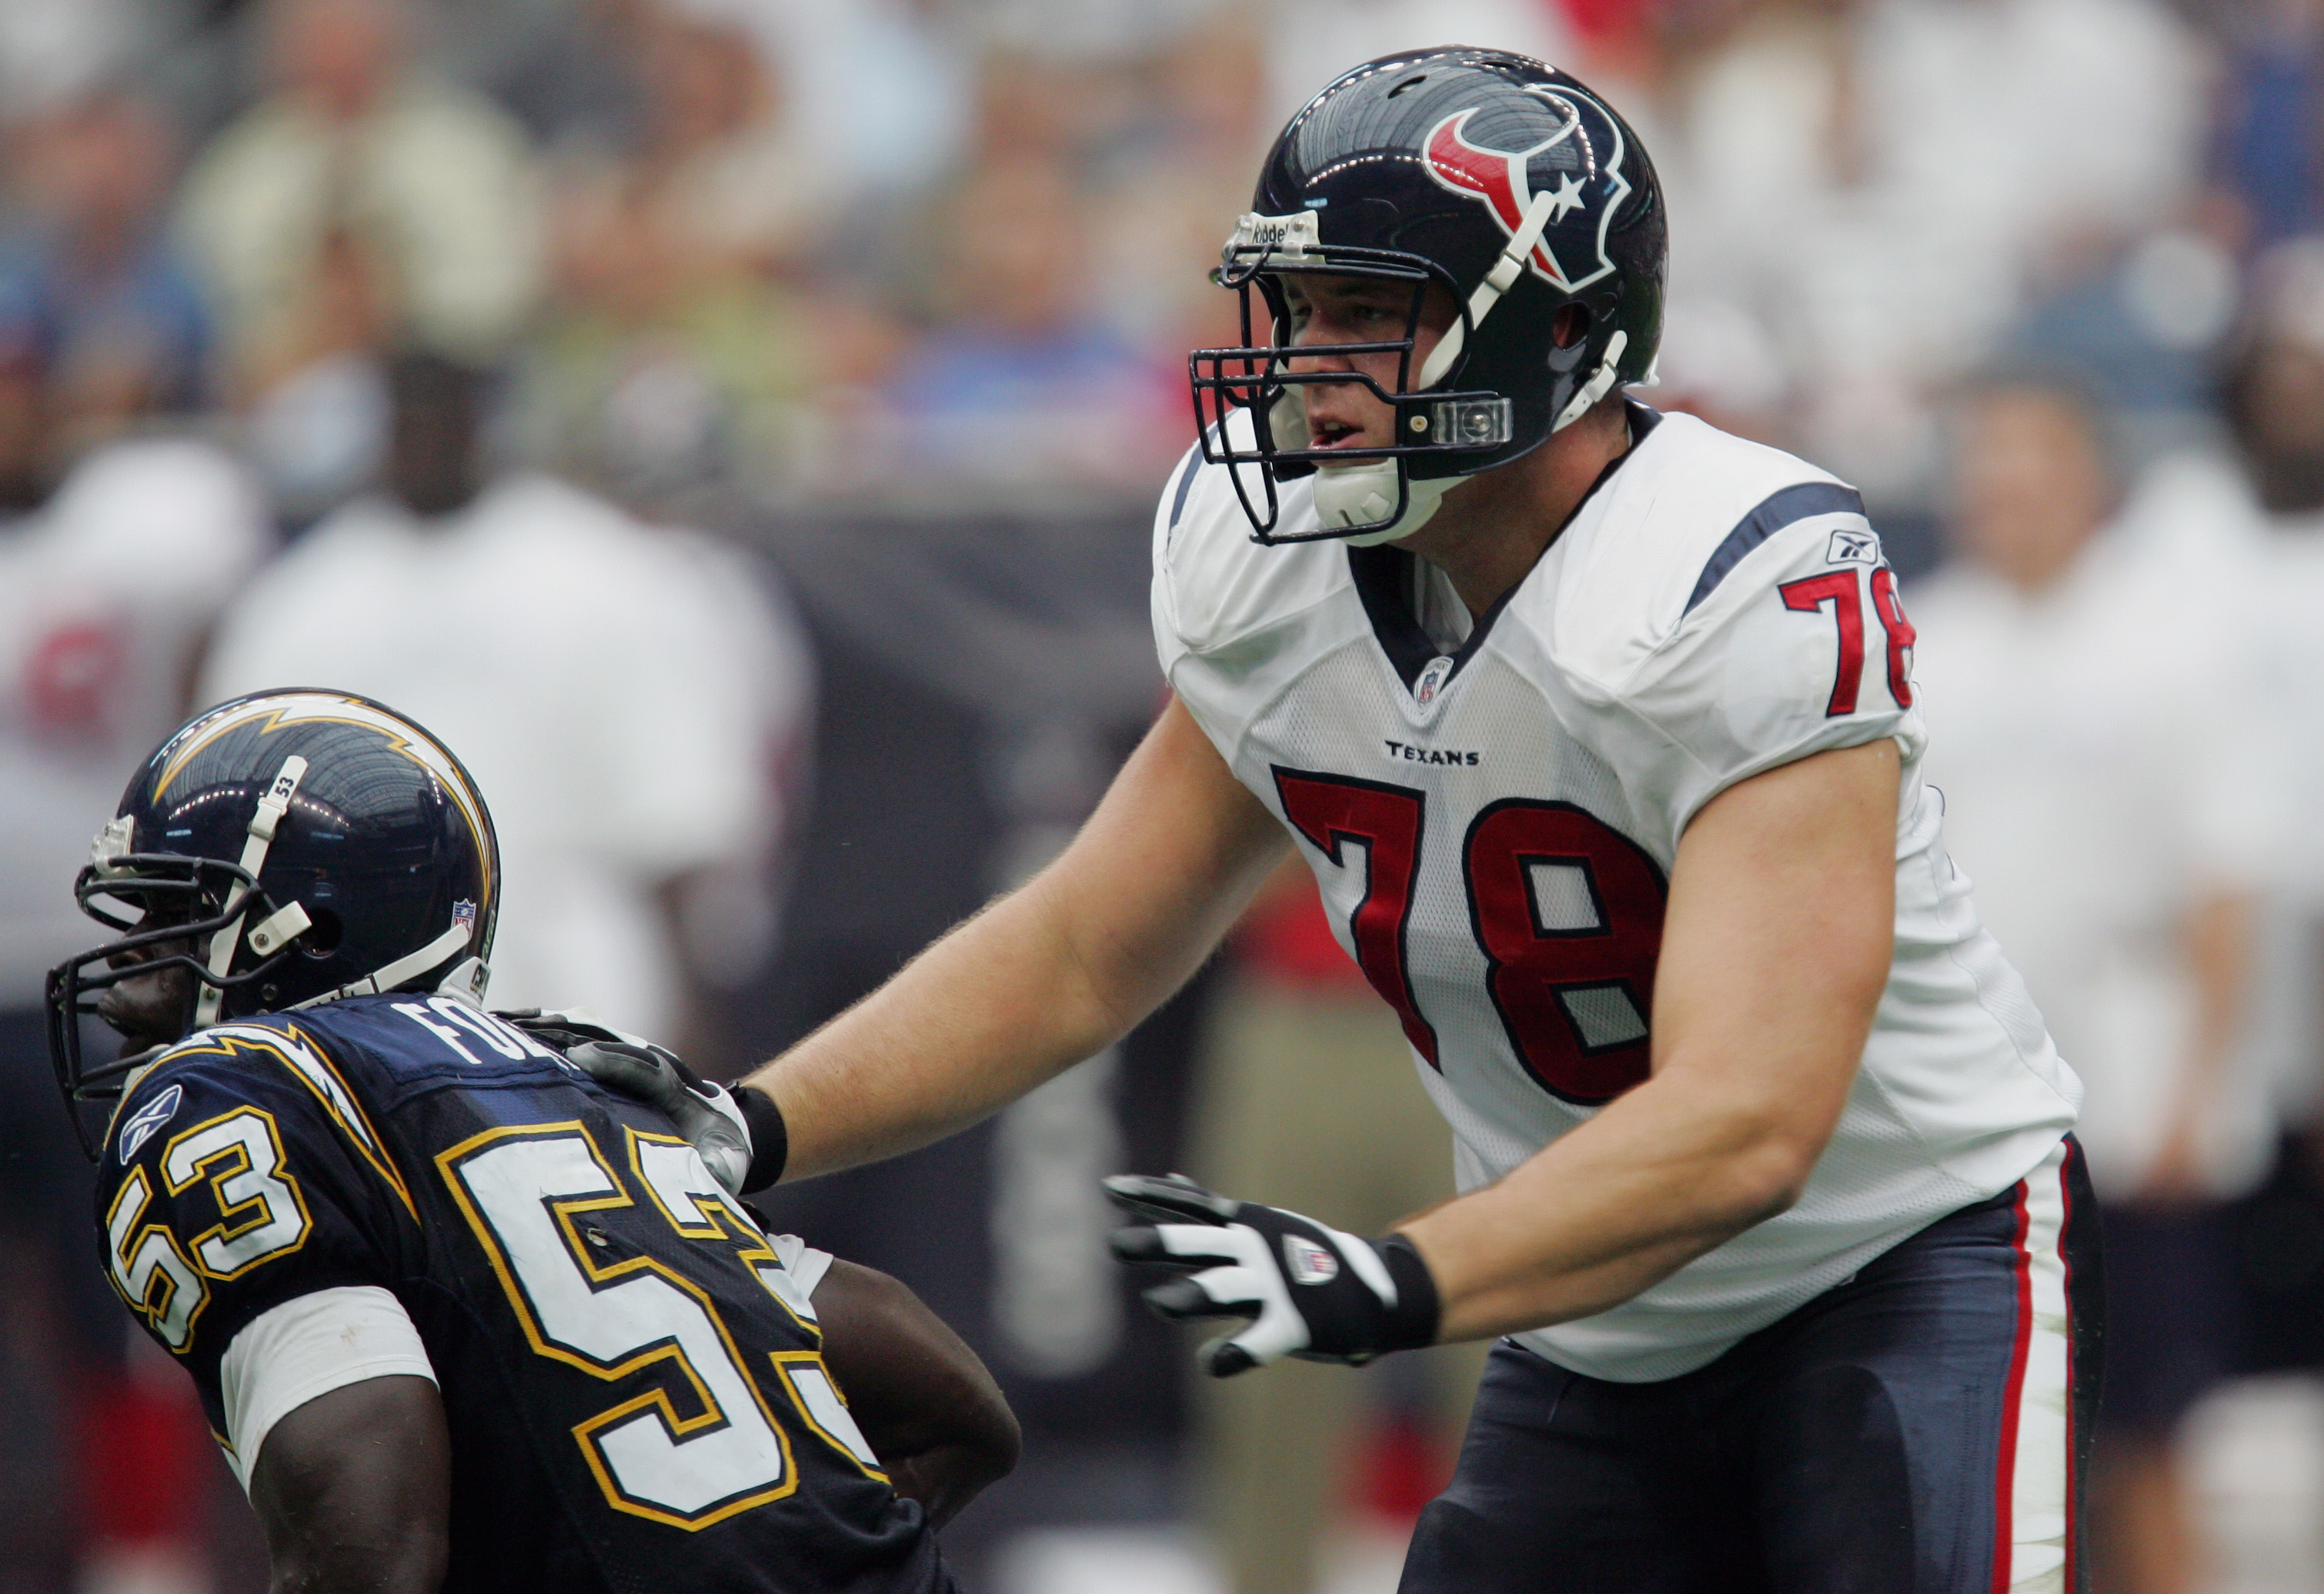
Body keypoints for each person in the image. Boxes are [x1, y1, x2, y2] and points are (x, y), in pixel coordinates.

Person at [610, 49, 2092, 1589]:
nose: (1312, 360)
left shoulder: (1724, 579)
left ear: (1561, 326)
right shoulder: (1278, 562)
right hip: (1600, 1320)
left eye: (1373, 314)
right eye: (1301, 310)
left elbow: (1750, 1120)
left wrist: (1385, 1276)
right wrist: (749, 1125)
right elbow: (1079, 945)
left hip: (1897, 1266)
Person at [50, 688, 1017, 1592]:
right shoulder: (578, 1065)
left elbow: (368, 1549)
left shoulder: (232, 1094)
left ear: (312, 932)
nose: (129, 984)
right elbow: (954, 1409)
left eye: (174, 922)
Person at [1909, 370, 2274, 1594]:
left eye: (2034, 460)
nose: (2007, 487)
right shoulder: (1926, 642)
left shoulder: (2168, 644)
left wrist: (2196, 1093)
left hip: (2126, 1093)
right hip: (1967, 1113)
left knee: (2147, 1438)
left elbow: (2224, 884)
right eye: (1988, 460)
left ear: (2089, 480)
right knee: (2001, 1442)